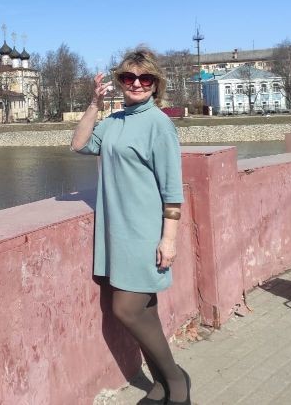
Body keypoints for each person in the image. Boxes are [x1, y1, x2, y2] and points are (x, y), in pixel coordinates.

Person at [71, 47, 190, 405]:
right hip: (117, 232)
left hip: (144, 232)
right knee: (145, 310)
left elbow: (172, 189)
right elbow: (78, 144)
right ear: (120, 82)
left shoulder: (159, 124)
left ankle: (177, 382)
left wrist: (169, 240)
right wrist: (95, 103)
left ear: (156, 84)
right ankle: (161, 385)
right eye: (128, 77)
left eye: (145, 78)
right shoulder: (114, 121)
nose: (136, 84)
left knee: (126, 309)